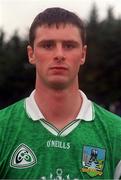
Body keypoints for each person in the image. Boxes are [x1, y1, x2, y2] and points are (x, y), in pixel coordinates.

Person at [0, 7, 121, 179]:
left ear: (83, 54)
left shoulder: (117, 133)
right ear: (31, 54)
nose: (59, 54)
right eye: (47, 45)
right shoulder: (3, 129)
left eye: (69, 46)